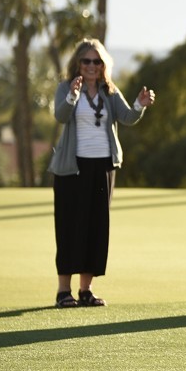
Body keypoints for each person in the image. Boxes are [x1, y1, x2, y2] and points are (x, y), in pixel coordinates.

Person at [48, 38, 156, 308]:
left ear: (103, 64)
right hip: (71, 168)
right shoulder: (66, 88)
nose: (92, 66)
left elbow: (128, 117)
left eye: (97, 61)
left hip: (103, 167)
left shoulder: (109, 91)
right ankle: (64, 291)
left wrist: (139, 104)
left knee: (96, 228)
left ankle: (86, 290)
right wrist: (73, 95)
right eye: (86, 61)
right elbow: (60, 116)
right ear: (78, 64)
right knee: (69, 227)